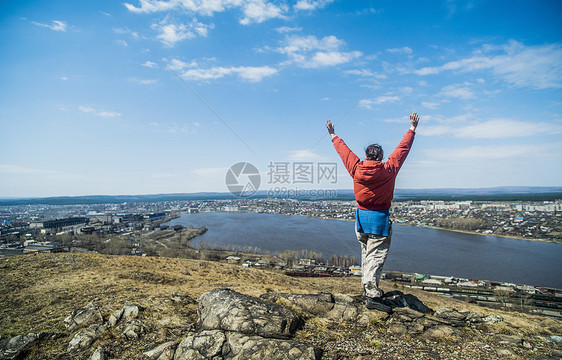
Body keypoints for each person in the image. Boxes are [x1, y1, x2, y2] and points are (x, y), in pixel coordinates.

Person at [326, 112, 419, 313]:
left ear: (367, 156)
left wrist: (333, 135)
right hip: (379, 220)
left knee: (367, 255)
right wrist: (412, 129)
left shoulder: (357, 168)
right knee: (375, 257)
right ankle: (371, 294)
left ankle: (368, 288)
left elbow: (344, 152)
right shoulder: (389, 169)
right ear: (381, 157)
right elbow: (402, 149)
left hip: (361, 219)